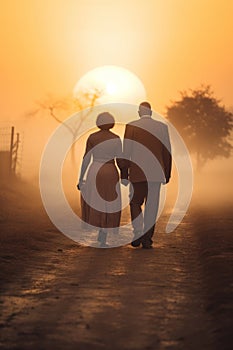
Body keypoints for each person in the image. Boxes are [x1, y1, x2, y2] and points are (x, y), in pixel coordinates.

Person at [122, 102, 172, 249]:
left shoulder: (131, 126)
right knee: (152, 205)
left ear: (139, 112)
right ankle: (147, 238)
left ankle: (137, 232)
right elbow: (166, 152)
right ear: (151, 112)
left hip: (137, 173)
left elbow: (126, 151)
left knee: (135, 202)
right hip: (156, 174)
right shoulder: (162, 127)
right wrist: (167, 173)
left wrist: (124, 173)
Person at [77, 112, 125, 247]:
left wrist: (81, 178)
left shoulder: (92, 137)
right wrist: (125, 175)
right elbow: (120, 159)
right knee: (109, 202)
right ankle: (103, 234)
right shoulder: (116, 138)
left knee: (96, 201)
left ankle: (99, 228)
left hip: (95, 170)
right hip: (110, 170)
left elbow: (86, 158)